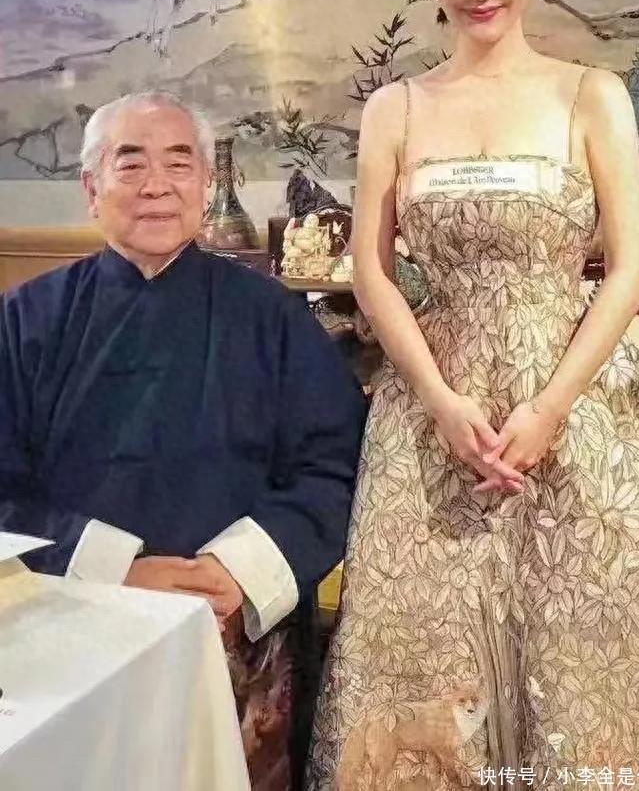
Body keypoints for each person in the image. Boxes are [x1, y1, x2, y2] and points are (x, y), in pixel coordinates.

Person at [307, 0, 639, 788]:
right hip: (436, 409)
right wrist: (438, 400)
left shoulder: (590, 93)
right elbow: (372, 271)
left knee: (592, 643)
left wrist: (549, 408)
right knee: (429, 652)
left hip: (576, 403)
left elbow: (628, 272)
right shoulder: (396, 107)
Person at [0, 90, 367, 791]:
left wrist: (236, 573)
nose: (157, 185)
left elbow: (336, 465)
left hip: (238, 632)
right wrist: (114, 569)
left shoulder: (273, 317)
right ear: (91, 190)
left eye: (178, 163)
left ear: (204, 184)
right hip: (71, 627)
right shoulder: (24, 321)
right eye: (130, 163)